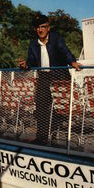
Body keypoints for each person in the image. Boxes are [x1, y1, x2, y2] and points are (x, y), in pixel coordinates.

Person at [18, 14, 81, 145]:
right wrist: (25, 65)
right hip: (44, 77)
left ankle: (63, 139)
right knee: (40, 106)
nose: (40, 30)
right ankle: (41, 137)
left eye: (43, 26)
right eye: (37, 27)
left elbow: (65, 51)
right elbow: (31, 61)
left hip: (59, 76)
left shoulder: (56, 38)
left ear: (48, 28)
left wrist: (73, 62)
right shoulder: (33, 44)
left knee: (61, 108)